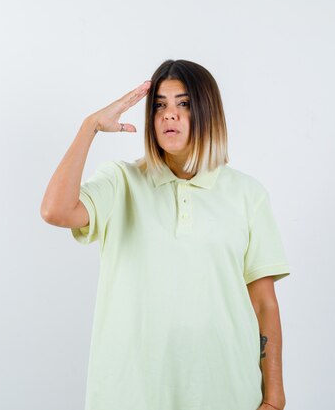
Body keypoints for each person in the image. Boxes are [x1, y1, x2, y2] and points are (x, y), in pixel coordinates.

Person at [41, 59, 290, 410]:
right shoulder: (120, 181)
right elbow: (56, 210)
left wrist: (275, 398)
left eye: (183, 104)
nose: (169, 115)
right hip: (131, 394)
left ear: (208, 113)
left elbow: (264, 303)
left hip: (226, 393)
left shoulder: (248, 195)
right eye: (159, 104)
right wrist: (90, 127)